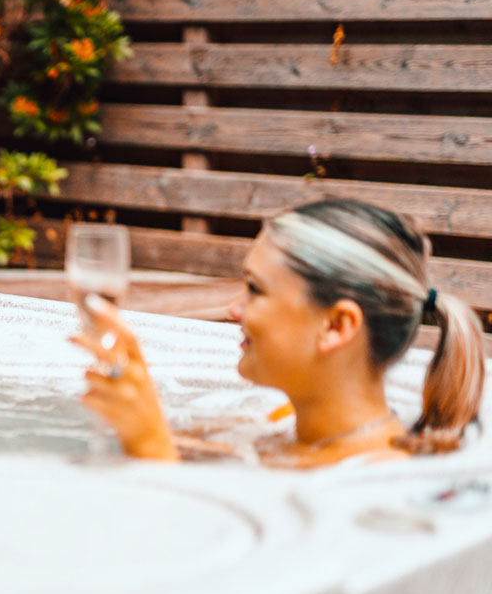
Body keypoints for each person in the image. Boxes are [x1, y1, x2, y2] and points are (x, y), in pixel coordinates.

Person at [77, 199, 486, 467]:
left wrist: (153, 449)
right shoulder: (285, 428)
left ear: (336, 326)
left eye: (255, 289)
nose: (233, 309)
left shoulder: (376, 480)